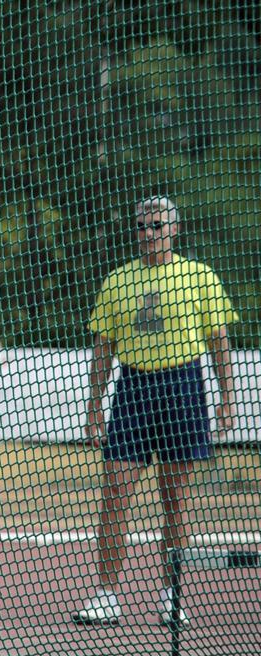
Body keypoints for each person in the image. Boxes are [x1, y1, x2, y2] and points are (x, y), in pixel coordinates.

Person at [74, 195, 237, 629]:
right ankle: (107, 595)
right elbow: (102, 349)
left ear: (174, 229)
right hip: (133, 388)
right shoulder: (118, 280)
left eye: (157, 226)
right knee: (114, 495)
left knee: (176, 501)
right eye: (142, 226)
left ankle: (172, 596)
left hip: (182, 386)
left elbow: (219, 340)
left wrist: (227, 396)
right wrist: (93, 409)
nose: (149, 234)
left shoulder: (199, 276)